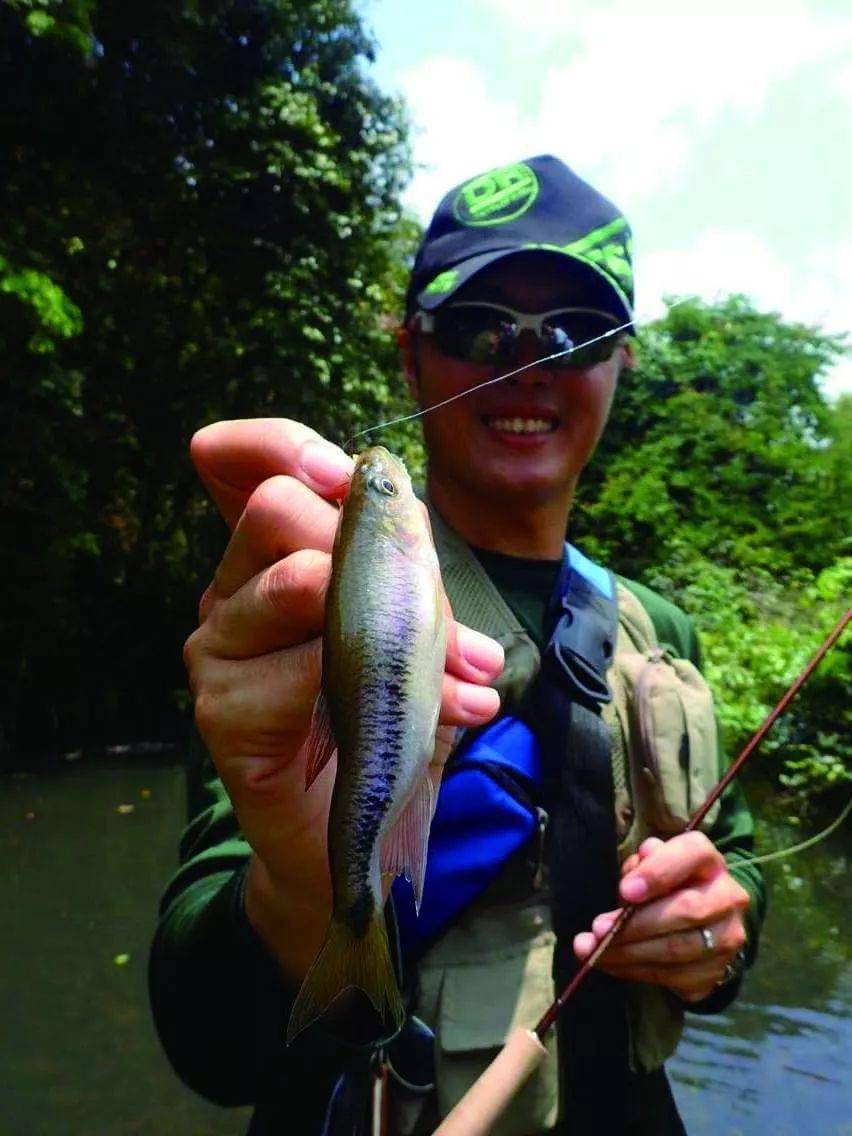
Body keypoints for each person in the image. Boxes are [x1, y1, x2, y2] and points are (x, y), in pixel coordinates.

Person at [149, 155, 765, 1135]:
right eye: (481, 326)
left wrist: (720, 929)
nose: (530, 363)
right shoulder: (301, 609)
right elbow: (211, 1043)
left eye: (575, 331)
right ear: (410, 355)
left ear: (623, 358)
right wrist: (301, 888)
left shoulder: (658, 625)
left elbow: (732, 857)